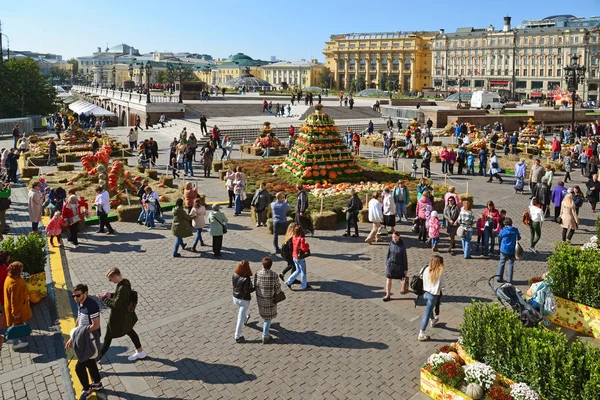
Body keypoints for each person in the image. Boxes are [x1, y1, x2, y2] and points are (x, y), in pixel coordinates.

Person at [97, 268, 145, 362]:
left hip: (119, 318)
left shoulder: (122, 287)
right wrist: (110, 295)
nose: (110, 281)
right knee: (130, 331)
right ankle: (140, 352)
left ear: (115, 276)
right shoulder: (126, 282)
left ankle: (95, 360)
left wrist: (103, 299)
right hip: (126, 316)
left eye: (110, 279)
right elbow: (120, 296)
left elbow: (115, 305)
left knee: (108, 338)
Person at [65, 283, 102, 399]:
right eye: (73, 296)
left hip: (89, 340)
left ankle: (87, 389)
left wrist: (80, 334)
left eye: (78, 296)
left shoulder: (91, 305)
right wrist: (73, 336)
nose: (75, 298)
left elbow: (95, 325)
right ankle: (97, 383)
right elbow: (79, 318)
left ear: (85, 293)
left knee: (79, 368)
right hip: (82, 338)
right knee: (90, 362)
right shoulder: (80, 303)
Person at [3, 262, 32, 350]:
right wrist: (16, 313)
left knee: (12, 324)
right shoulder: (15, 284)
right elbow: (15, 301)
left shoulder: (9, 278)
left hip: (10, 307)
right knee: (16, 325)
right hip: (17, 309)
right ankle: (16, 343)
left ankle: (10, 338)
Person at [255, 257, 282, 344]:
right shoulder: (274, 275)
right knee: (268, 318)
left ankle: (267, 331)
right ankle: (265, 335)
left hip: (261, 299)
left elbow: (255, 285)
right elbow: (278, 289)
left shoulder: (258, 274)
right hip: (271, 300)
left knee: (265, 315)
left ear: (262, 265)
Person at [418, 256, 445, 341]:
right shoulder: (440, 272)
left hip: (425, 294)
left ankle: (433, 320)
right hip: (433, 296)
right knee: (426, 313)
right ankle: (421, 333)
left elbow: (420, 276)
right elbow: (443, 286)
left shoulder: (425, 268)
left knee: (429, 310)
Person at [382, 231, 408, 302]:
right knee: (388, 279)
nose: (394, 239)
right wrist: (386, 263)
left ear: (399, 237)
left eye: (395, 238)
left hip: (399, 265)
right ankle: (388, 295)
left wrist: (405, 268)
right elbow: (388, 254)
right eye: (393, 237)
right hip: (391, 265)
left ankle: (403, 288)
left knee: (402, 278)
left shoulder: (402, 246)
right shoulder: (390, 243)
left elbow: (404, 258)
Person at [232, 261, 253, 343]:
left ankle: (246, 319)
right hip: (244, 300)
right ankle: (237, 336)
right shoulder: (246, 278)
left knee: (242, 313)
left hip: (235, 298)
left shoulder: (234, 274)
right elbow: (248, 290)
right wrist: (255, 287)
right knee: (239, 317)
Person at [284, 225, 310, 291]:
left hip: (294, 256)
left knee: (298, 270)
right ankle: (304, 286)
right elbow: (303, 249)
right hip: (300, 258)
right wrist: (307, 245)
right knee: (303, 272)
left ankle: (288, 282)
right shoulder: (301, 239)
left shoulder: (293, 237)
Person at [496, 218, 521, 283]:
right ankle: (509, 279)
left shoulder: (503, 230)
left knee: (501, 262)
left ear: (504, 224)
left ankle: (499, 277)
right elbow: (518, 237)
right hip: (512, 249)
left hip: (504, 249)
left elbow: (499, 236)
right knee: (511, 264)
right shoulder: (515, 230)